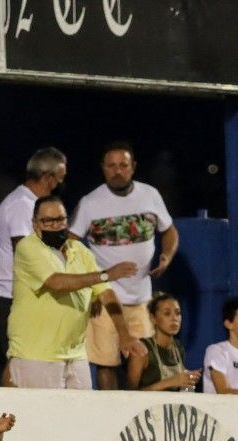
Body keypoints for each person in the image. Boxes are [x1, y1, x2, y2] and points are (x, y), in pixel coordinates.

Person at [71, 142, 177, 390]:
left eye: (123, 165)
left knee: (142, 361)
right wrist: (92, 283)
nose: (118, 171)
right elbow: (71, 245)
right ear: (103, 168)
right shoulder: (90, 203)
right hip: (105, 299)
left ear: (133, 167)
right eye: (112, 166)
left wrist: (167, 255)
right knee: (106, 363)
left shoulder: (150, 195)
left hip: (141, 298)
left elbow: (170, 231)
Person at [7, 195, 137, 390]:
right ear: (35, 224)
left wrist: (124, 335)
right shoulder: (28, 247)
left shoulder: (80, 250)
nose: (54, 225)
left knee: (83, 418)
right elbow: (56, 282)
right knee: (43, 419)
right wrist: (105, 275)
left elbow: (106, 294)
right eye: (47, 221)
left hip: (76, 355)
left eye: (59, 219)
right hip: (36, 357)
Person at [0, 148, 68, 370]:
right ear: (47, 177)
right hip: (14, 298)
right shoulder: (21, 205)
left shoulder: (34, 204)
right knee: (19, 365)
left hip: (32, 296)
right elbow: (27, 255)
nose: (61, 185)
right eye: (60, 179)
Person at [128, 292, 197, 392]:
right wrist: (171, 382)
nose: (174, 319)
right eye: (167, 313)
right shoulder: (142, 349)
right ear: (153, 318)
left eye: (178, 313)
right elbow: (129, 395)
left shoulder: (178, 348)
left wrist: (188, 382)